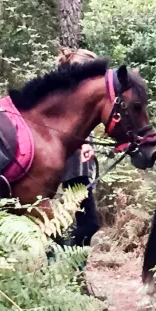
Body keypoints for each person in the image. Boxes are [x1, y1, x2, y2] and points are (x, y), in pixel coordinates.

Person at [57, 47, 100, 246]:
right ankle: (69, 260)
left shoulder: (80, 95)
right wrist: (83, 144)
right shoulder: (67, 96)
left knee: (80, 222)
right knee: (88, 224)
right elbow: (66, 127)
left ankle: (68, 258)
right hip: (73, 168)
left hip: (80, 168)